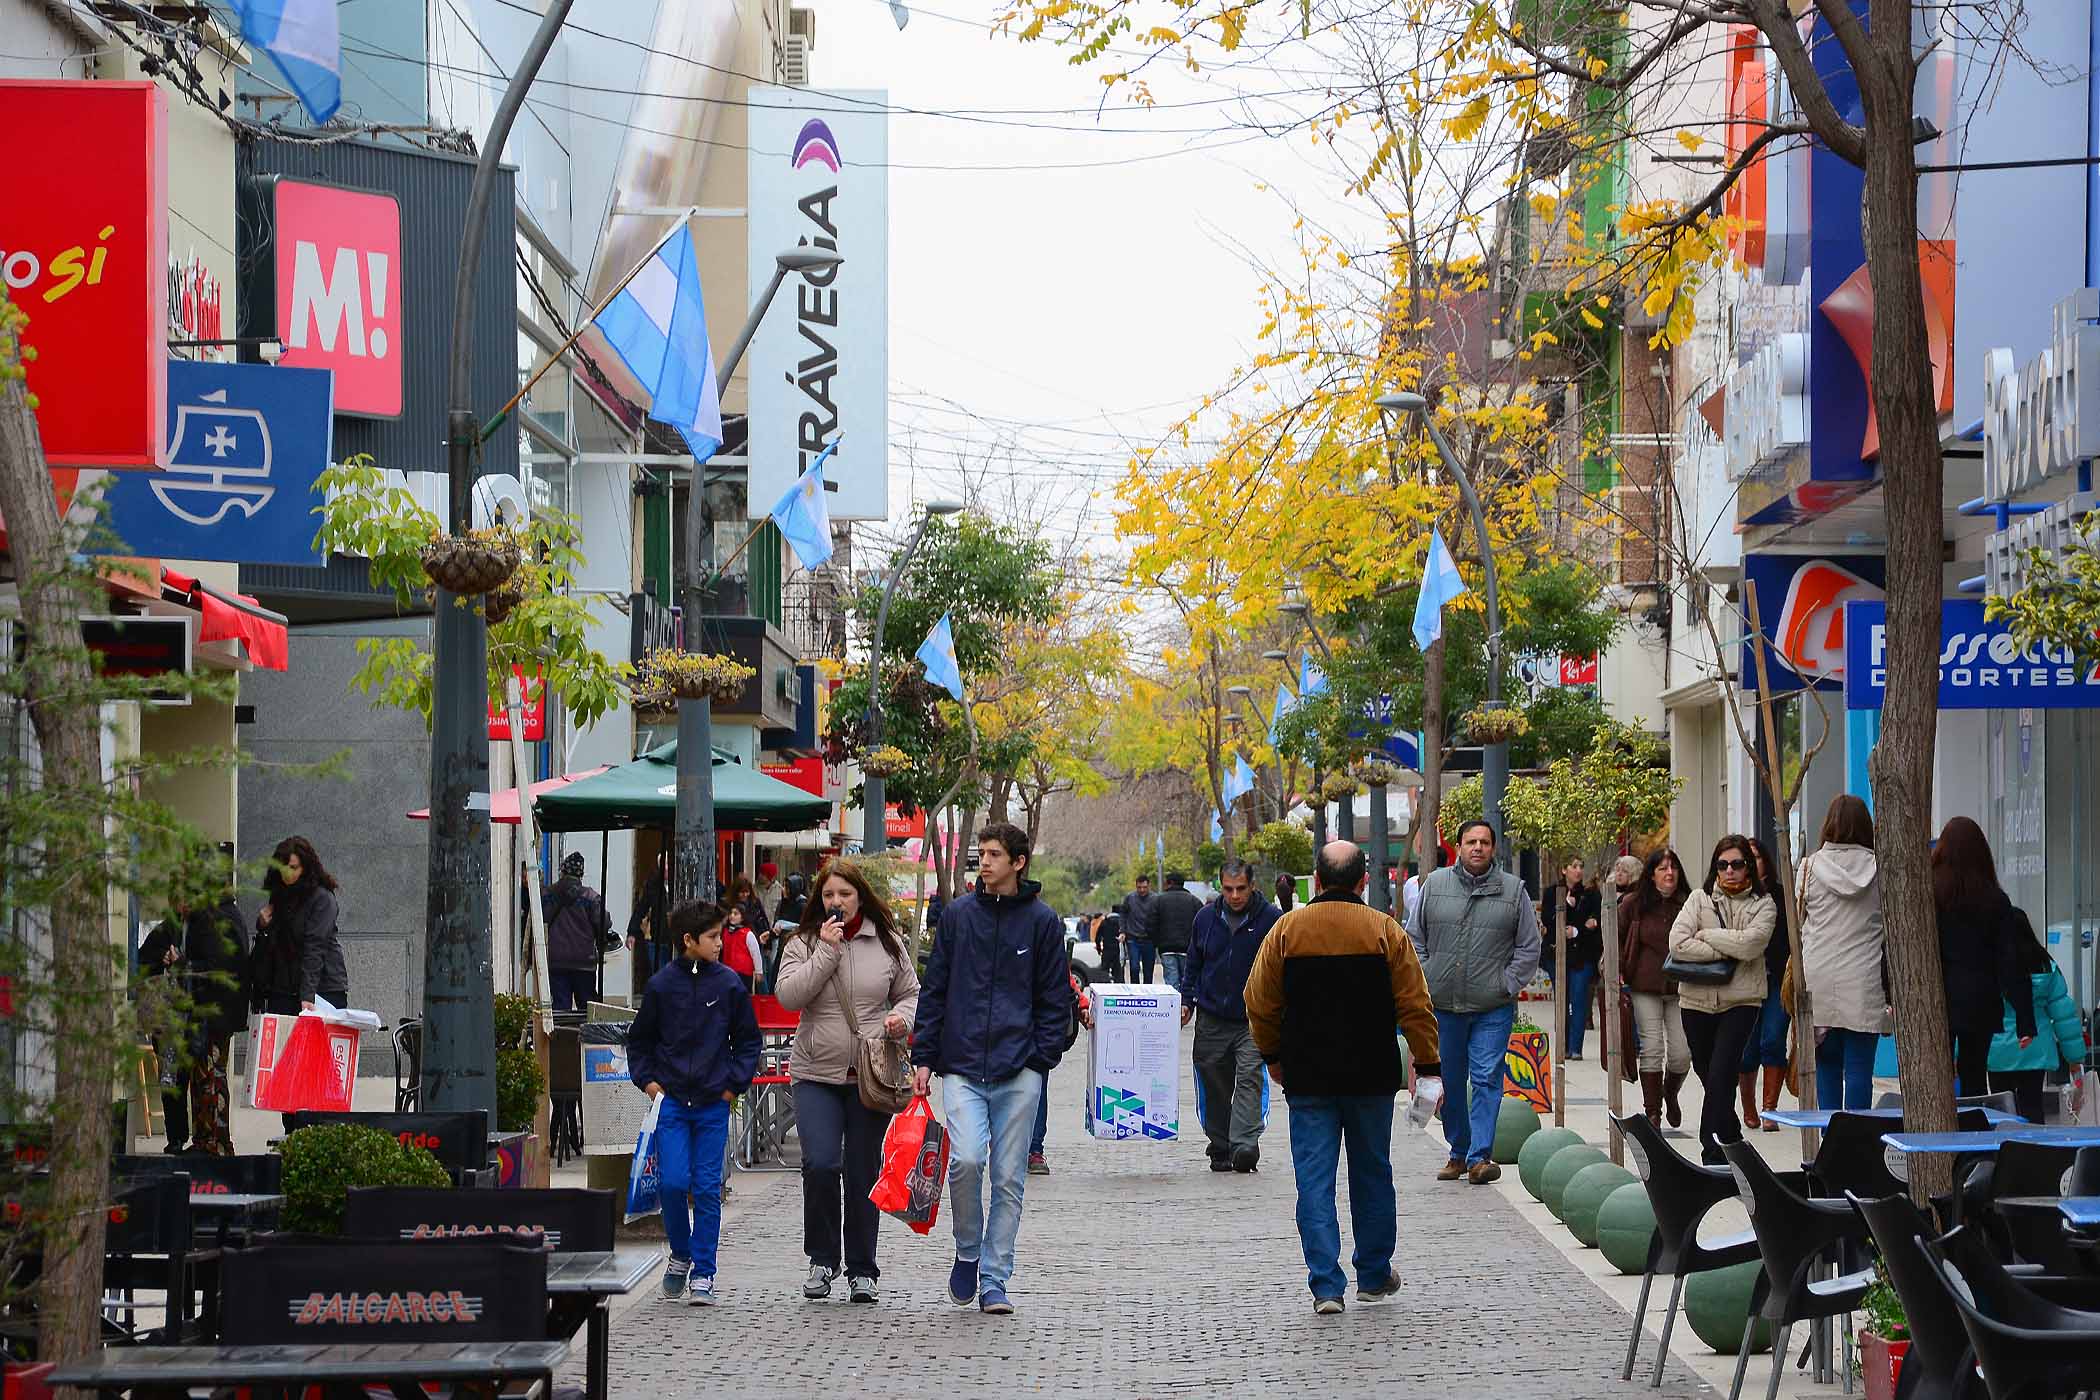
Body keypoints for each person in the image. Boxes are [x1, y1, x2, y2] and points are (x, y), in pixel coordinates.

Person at [1244, 840, 1439, 1314]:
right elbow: (1415, 1005)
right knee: (1372, 1172)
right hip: (1370, 1075)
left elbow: (1259, 1001)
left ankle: (1326, 1286)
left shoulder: (1286, 931)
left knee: (1313, 1179)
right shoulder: (1384, 931)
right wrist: (1428, 1067)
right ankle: (1373, 1273)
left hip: (1308, 1075)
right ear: (1362, 880)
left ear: (1316, 877)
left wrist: (1273, 1055)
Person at [910, 821, 1072, 1315]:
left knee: (1008, 1178)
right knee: (965, 1162)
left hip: (1020, 1068)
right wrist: (923, 1056)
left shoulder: (1044, 922)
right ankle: (966, 1250)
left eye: (994, 854)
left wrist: (1040, 1059)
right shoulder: (958, 917)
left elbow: (1054, 999)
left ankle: (996, 1278)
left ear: (1019, 862)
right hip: (961, 1064)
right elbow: (935, 987)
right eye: (980, 853)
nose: (983, 861)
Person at [773, 861, 920, 1304]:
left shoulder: (887, 942)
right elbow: (788, 997)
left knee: (861, 1172)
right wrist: (826, 952)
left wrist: (901, 1020)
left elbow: (912, 994)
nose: (836, 902)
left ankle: (862, 1269)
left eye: (845, 894)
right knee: (820, 1164)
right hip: (815, 1073)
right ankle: (821, 1259)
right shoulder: (803, 943)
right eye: (829, 895)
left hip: (869, 1077)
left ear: (860, 897)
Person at [628, 899, 761, 1307]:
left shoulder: (729, 985)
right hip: (670, 1103)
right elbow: (640, 1041)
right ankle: (681, 1255)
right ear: (689, 940)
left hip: (712, 1104)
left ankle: (703, 1271)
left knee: (706, 1188)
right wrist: (650, 1085)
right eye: (713, 937)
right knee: (671, 1183)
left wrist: (730, 1087)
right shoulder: (661, 986)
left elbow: (748, 1042)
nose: (720, 943)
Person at [1408, 819, 1540, 1184]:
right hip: (1443, 1005)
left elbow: (1529, 946)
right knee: (1447, 1079)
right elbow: (1413, 937)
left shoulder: (1514, 891)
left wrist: (1506, 984)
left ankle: (1480, 1157)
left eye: (1484, 842)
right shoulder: (1434, 885)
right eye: (1471, 842)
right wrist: (1426, 974)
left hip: (1491, 1007)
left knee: (1485, 1078)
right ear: (1459, 847)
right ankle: (1458, 1152)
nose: (1478, 847)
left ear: (1493, 849)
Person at [1668, 836, 1776, 1165]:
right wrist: (1726, 949)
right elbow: (1678, 944)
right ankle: (1730, 1133)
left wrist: (1708, 936)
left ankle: (1711, 1149)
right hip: (1696, 1002)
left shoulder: (1764, 904)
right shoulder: (1698, 899)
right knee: (1710, 1073)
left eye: (1737, 864)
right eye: (1722, 864)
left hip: (1740, 1001)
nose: (1729, 871)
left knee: (1721, 1071)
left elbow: (1751, 946)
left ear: (1749, 868)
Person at [139, 860, 250, 1156]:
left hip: (209, 1015)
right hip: (199, 1015)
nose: (182, 906)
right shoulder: (199, 921)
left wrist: (181, 963)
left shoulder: (215, 920)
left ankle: (211, 1142)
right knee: (199, 1080)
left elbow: (216, 969)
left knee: (208, 1080)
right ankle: (206, 1140)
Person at [1182, 860, 1281, 1172]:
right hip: (1212, 1017)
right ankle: (1221, 1145)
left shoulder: (1271, 920)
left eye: (1241, 889)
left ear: (1252, 886)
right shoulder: (1204, 919)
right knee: (1213, 1081)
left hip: (1254, 1019)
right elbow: (1193, 964)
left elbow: (1282, 967)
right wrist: (1187, 1001)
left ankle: (1244, 1146)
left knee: (1250, 1077)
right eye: (1228, 889)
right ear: (1220, 887)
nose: (1235, 895)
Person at [1792, 798, 1884, 1115]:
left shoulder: (1808, 867)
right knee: (1859, 1072)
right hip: (1863, 976)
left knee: (1826, 1067)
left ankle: (1830, 1142)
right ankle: (1857, 1140)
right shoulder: (1881, 868)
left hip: (1818, 975)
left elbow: (1797, 919)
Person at [1932, 816, 2036, 1095]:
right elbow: (2009, 961)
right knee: (1974, 1073)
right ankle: (1973, 1128)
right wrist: (2025, 1018)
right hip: (1981, 999)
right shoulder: (1995, 900)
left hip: (1938, 997)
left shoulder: (1930, 894)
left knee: (1935, 1072)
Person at [1989, 912, 2088, 1125]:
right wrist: (2074, 1057)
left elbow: (1976, 1012)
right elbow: (2063, 1016)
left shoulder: (1990, 966)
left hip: (1997, 1050)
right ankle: (2035, 1154)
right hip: (2035, 1050)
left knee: (2000, 1111)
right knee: (2033, 1106)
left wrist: (1958, 1053)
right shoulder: (2045, 964)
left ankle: (2004, 1153)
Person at [1620, 849, 1691, 1128]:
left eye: (1673, 867)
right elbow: (1615, 939)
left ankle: (1670, 1092)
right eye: (1662, 868)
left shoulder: (1690, 903)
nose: (1669, 873)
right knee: (1652, 1048)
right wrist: (1615, 973)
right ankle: (1653, 1113)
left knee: (1682, 1053)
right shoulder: (1633, 904)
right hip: (1643, 985)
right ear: (1651, 874)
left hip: (1681, 986)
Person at [252, 835, 347, 1016]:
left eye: (293, 867)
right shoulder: (280, 895)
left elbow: (315, 946)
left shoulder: (321, 898)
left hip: (321, 988)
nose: (287, 872)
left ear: (305, 868)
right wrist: (263, 925)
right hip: (285, 986)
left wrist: (308, 995)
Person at [1736, 837, 1794, 1129]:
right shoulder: (1734, 896)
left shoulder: (1781, 896)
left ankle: (1769, 1109)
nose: (1749, 863)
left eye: (1754, 857)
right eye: (1744, 858)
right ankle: (1749, 1110)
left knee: (1772, 1040)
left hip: (1776, 981)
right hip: (1745, 980)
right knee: (1746, 1049)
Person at [1540, 858, 1602, 1061]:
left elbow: (1596, 923)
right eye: (1574, 866)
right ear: (1564, 869)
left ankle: (1576, 1047)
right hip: (1557, 954)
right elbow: (1549, 920)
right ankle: (1564, 1046)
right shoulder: (1552, 893)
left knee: (1579, 999)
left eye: (1581, 866)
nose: (1578, 870)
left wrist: (1576, 930)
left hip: (1582, 955)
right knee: (1562, 999)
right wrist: (1565, 907)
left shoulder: (1590, 894)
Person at [542, 852, 613, 1012]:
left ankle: (561, 1036)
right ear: (581, 873)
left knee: (560, 1009)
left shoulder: (547, 894)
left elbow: (541, 921)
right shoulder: (590, 897)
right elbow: (604, 923)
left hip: (556, 961)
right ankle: (585, 1037)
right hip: (584, 962)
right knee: (587, 1010)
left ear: (562, 870)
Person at [1152, 871, 1202, 994]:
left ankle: (1173, 1008)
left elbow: (1150, 924)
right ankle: (1184, 1007)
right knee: (1187, 980)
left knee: (1171, 982)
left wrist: (1156, 942)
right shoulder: (1194, 901)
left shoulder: (1159, 900)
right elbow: (1202, 924)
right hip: (1188, 948)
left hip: (1166, 948)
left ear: (1170, 883)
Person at [625, 852, 672, 984]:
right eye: (663, 864)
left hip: (679, 941)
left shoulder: (683, 882)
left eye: (668, 864)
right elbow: (641, 908)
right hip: (658, 938)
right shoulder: (653, 884)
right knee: (660, 979)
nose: (666, 868)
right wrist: (632, 932)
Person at [1118, 873, 1158, 985]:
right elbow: (1123, 914)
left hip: (1149, 939)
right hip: (1133, 938)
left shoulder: (1155, 899)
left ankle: (1147, 992)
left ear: (1148, 886)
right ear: (1136, 886)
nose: (1142, 890)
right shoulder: (1130, 898)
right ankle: (1135, 991)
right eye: (1139, 887)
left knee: (1148, 970)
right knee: (1134, 967)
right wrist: (1122, 931)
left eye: (1144, 887)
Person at [1092, 909, 1123, 982]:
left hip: (1106, 949)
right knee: (1118, 971)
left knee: (1104, 970)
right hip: (1117, 950)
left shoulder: (1104, 922)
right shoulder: (1121, 922)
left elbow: (1097, 938)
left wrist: (1099, 949)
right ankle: (1119, 987)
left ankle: (1105, 985)